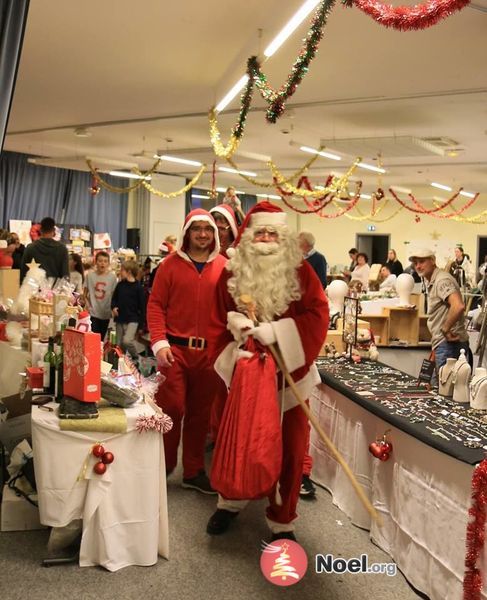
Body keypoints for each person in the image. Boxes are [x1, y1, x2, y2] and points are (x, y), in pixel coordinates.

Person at [206, 201, 328, 541]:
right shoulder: (232, 274)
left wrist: (276, 333)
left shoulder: (301, 273)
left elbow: (318, 317)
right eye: (259, 232)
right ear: (247, 237)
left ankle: (282, 519)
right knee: (237, 442)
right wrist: (237, 331)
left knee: (290, 450)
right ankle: (230, 501)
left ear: (283, 237)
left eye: (272, 233)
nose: (265, 239)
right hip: (244, 375)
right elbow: (216, 319)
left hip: (291, 381)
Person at [147, 209, 227, 494]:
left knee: (200, 414)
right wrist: (159, 342)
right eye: (197, 229)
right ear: (187, 233)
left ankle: (193, 471)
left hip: (210, 355)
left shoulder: (224, 267)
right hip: (174, 352)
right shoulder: (169, 266)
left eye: (208, 229)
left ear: (214, 234)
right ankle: (164, 466)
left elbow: (231, 309)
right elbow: (156, 305)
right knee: (172, 409)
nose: (203, 234)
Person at [410, 248, 470, 371]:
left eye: (421, 262)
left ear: (432, 261)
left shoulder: (441, 280)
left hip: (450, 344)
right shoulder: (434, 280)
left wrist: (445, 329)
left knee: (444, 388)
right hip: (443, 344)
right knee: (437, 385)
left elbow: (458, 306)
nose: (418, 266)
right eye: (415, 263)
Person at [111, 260, 146, 359]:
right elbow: (114, 299)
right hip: (120, 318)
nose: (120, 272)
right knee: (118, 344)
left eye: (122, 270)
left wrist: (141, 326)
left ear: (129, 272)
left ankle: (136, 357)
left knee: (127, 341)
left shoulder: (138, 288)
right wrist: (113, 307)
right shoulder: (120, 285)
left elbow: (143, 308)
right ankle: (122, 363)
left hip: (133, 319)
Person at [20, 217, 69, 282]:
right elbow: (65, 275)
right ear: (54, 230)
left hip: (34, 288)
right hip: (54, 289)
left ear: (40, 230)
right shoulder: (62, 249)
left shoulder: (30, 248)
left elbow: (23, 272)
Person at [83, 251, 118, 341]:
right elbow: (85, 292)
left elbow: (115, 295)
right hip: (93, 311)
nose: (103, 263)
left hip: (106, 312)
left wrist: (114, 308)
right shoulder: (90, 275)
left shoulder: (112, 277)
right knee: (94, 337)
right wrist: (87, 304)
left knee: (102, 338)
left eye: (105, 261)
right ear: (96, 262)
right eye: (100, 261)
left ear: (108, 263)